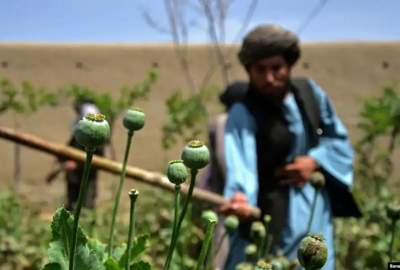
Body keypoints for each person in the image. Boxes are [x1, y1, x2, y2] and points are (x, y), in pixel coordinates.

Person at [217, 24, 360, 269]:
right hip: (268, 213)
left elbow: (338, 142)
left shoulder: (311, 95)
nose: (269, 78)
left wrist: (315, 161)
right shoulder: (243, 111)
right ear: (249, 70)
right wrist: (240, 199)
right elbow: (241, 165)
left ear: (289, 66)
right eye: (260, 70)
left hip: (314, 211)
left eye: (276, 68)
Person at [46, 97, 104, 211]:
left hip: (87, 177)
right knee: (72, 206)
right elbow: (70, 148)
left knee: (86, 207)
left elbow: (98, 158)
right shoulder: (78, 132)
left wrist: (77, 164)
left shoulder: (96, 137)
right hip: (73, 178)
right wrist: (61, 160)